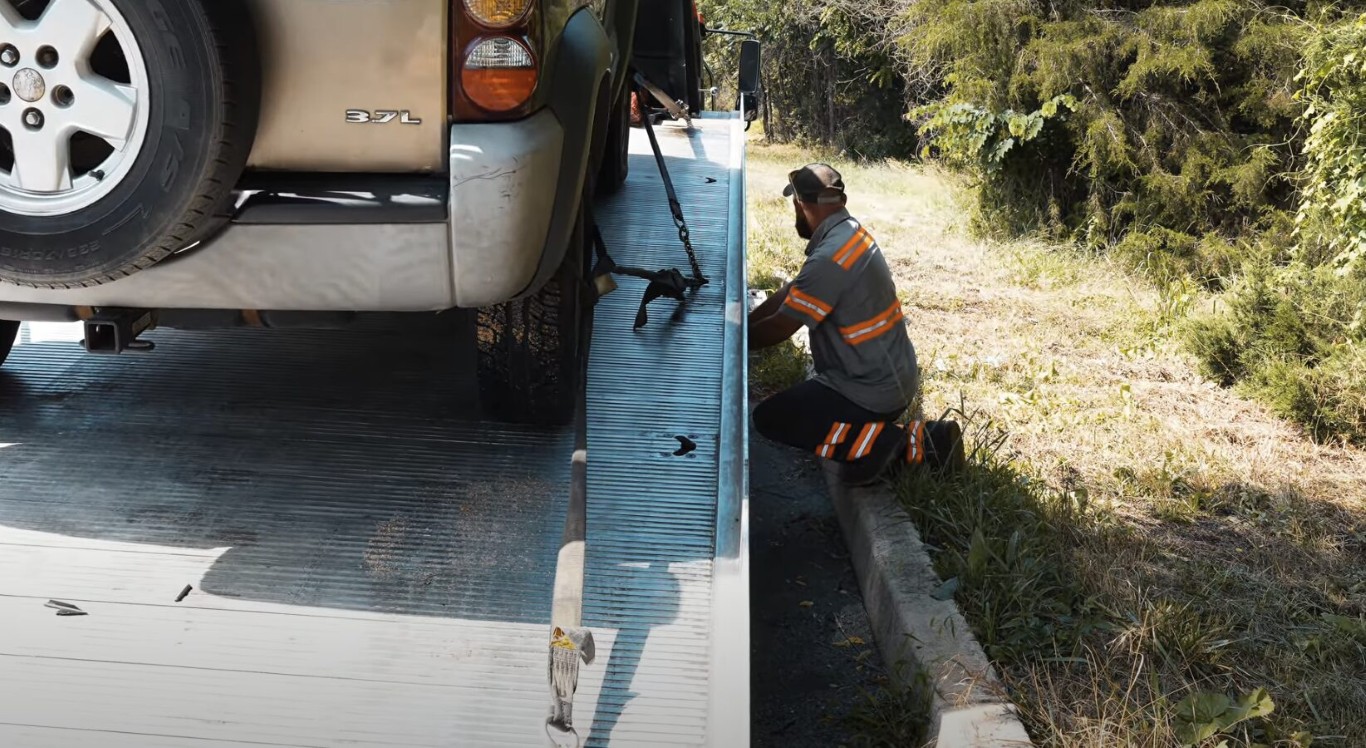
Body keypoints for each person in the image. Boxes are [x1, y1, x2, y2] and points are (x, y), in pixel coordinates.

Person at [748, 163, 963, 485]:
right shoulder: (847, 235)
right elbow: (791, 292)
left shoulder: (828, 259)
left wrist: (731, 342)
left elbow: (782, 326)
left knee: (773, 418)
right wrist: (742, 322)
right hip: (888, 377)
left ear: (800, 204)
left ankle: (903, 445)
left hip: (867, 391)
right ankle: (919, 438)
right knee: (801, 410)